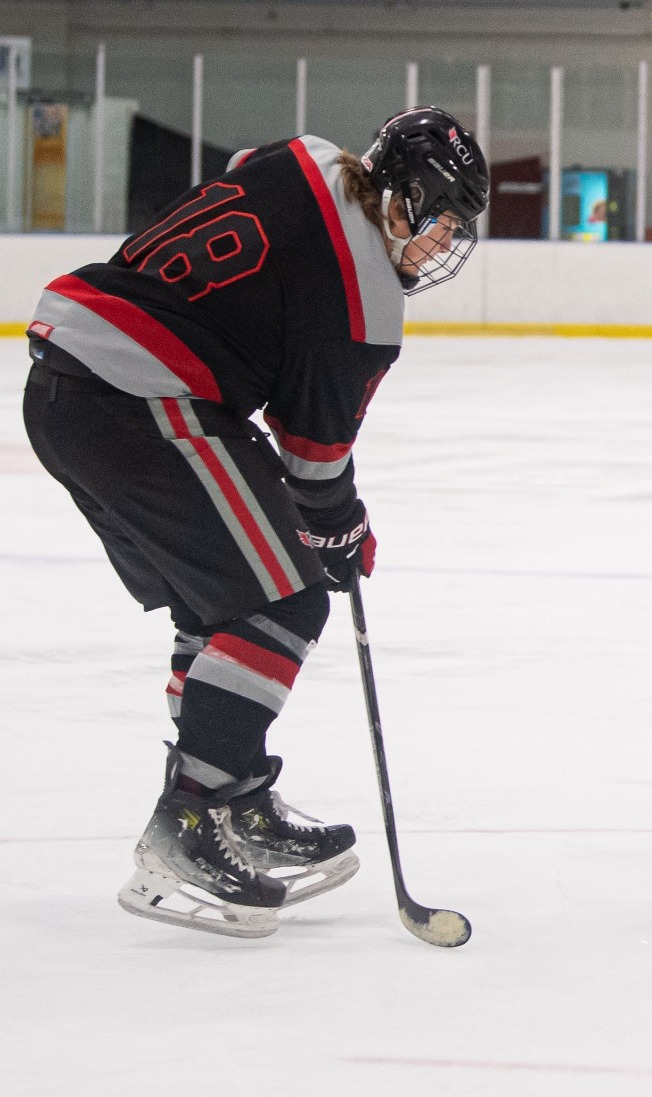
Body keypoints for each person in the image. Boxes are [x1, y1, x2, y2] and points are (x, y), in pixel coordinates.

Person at [21, 107, 489, 938]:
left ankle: (235, 796)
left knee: (221, 607)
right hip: (138, 397)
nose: (440, 245)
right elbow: (314, 461)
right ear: (406, 195)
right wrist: (342, 531)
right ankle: (190, 819)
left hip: (74, 386)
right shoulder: (366, 298)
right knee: (286, 601)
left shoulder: (302, 157)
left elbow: (241, 177)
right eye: (442, 218)